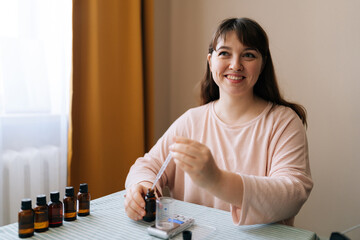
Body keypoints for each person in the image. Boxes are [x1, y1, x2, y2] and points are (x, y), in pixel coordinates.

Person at [124, 17, 313, 226]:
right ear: (210, 61)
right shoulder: (191, 120)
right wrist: (140, 187)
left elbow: (292, 193)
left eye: (248, 55)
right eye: (224, 53)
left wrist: (217, 180)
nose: (235, 65)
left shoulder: (284, 122)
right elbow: (148, 165)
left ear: (263, 64)